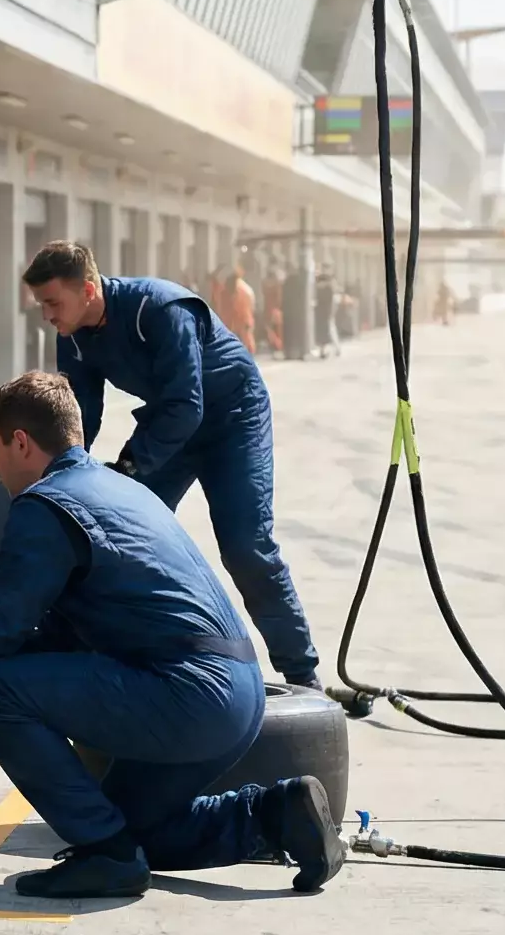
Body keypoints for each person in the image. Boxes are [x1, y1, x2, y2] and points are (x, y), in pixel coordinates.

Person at [0, 372, 342, 899]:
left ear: (22, 443)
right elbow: (53, 632)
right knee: (138, 831)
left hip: (187, 693)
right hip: (240, 692)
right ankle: (281, 815)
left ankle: (104, 855)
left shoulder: (45, 506)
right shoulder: (118, 489)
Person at [22, 240, 321, 687]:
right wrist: (66, 473)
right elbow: (81, 413)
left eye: (52, 302)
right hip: (171, 422)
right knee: (114, 537)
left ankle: (302, 673)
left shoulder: (158, 309)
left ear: (86, 290)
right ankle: (100, 652)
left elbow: (188, 404)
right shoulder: (74, 336)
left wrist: (129, 467)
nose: (46, 314)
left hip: (230, 419)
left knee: (245, 547)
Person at [216, 264, 259, 352]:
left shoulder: (226, 290)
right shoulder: (245, 289)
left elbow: (221, 307)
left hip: (234, 322)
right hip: (241, 321)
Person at [313, 266, 340, 358]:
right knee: (328, 330)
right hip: (326, 313)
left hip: (324, 313)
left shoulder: (325, 288)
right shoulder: (329, 287)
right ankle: (332, 349)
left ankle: (330, 350)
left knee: (327, 331)